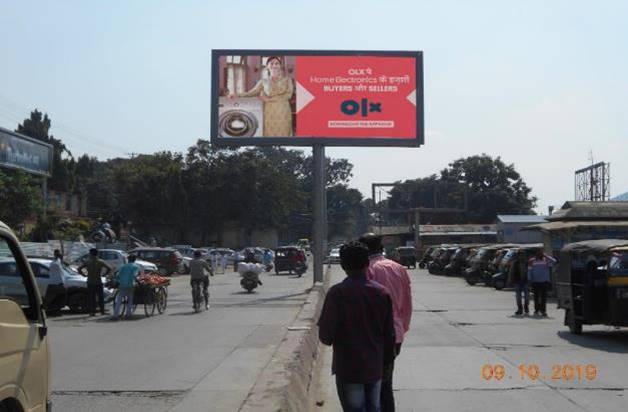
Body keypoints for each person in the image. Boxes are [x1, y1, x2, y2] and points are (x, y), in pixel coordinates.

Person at [318, 241, 396, 412]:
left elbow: (325, 337)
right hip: (375, 366)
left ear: (343, 265)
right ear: (367, 263)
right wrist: (386, 365)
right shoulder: (382, 293)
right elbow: (390, 335)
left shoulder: (336, 294)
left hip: (348, 368)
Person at [359, 233, 412, 412]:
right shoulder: (399, 268)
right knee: (386, 384)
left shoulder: (366, 271)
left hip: (371, 336)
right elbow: (407, 304)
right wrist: (402, 329)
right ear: (381, 248)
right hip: (394, 335)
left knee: (369, 386)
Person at [235, 56, 294, 137]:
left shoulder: (287, 80)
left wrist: (269, 100)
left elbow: (289, 95)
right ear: (267, 66)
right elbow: (251, 93)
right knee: (269, 135)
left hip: (283, 110)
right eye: (271, 63)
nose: (274, 65)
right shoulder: (263, 81)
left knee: (283, 135)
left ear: (280, 66)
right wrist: (236, 95)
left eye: (276, 63)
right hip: (269, 111)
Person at [77, 248, 112, 316]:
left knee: (91, 297)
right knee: (100, 297)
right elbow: (109, 268)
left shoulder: (87, 262)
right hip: (98, 281)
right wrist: (104, 274)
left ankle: (92, 312)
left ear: (91, 254)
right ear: (97, 254)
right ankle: (102, 311)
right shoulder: (100, 261)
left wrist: (84, 275)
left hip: (90, 281)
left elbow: (79, 269)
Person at [527, 249, 557, 317]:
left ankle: (543, 311)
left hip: (544, 281)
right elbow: (529, 271)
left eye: (541, 253)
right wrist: (529, 279)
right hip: (535, 281)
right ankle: (537, 310)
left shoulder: (546, 260)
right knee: (536, 297)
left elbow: (554, 261)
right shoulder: (532, 260)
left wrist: (546, 256)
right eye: (538, 253)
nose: (540, 254)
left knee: (544, 297)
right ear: (536, 253)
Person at [113, 254, 140, 320]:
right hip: (130, 285)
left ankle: (115, 315)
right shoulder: (136, 266)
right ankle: (128, 314)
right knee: (130, 300)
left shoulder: (123, 266)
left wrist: (117, 280)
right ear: (134, 260)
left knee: (119, 300)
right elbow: (134, 275)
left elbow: (117, 275)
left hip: (121, 285)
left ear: (128, 259)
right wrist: (138, 281)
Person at [512, 251, 529, 316]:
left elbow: (530, 271)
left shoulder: (527, 263)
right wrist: (511, 280)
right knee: (518, 297)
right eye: (520, 255)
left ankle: (526, 307)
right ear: (518, 256)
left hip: (525, 282)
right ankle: (520, 309)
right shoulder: (515, 263)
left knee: (527, 296)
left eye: (523, 255)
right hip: (517, 282)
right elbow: (512, 272)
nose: (522, 257)